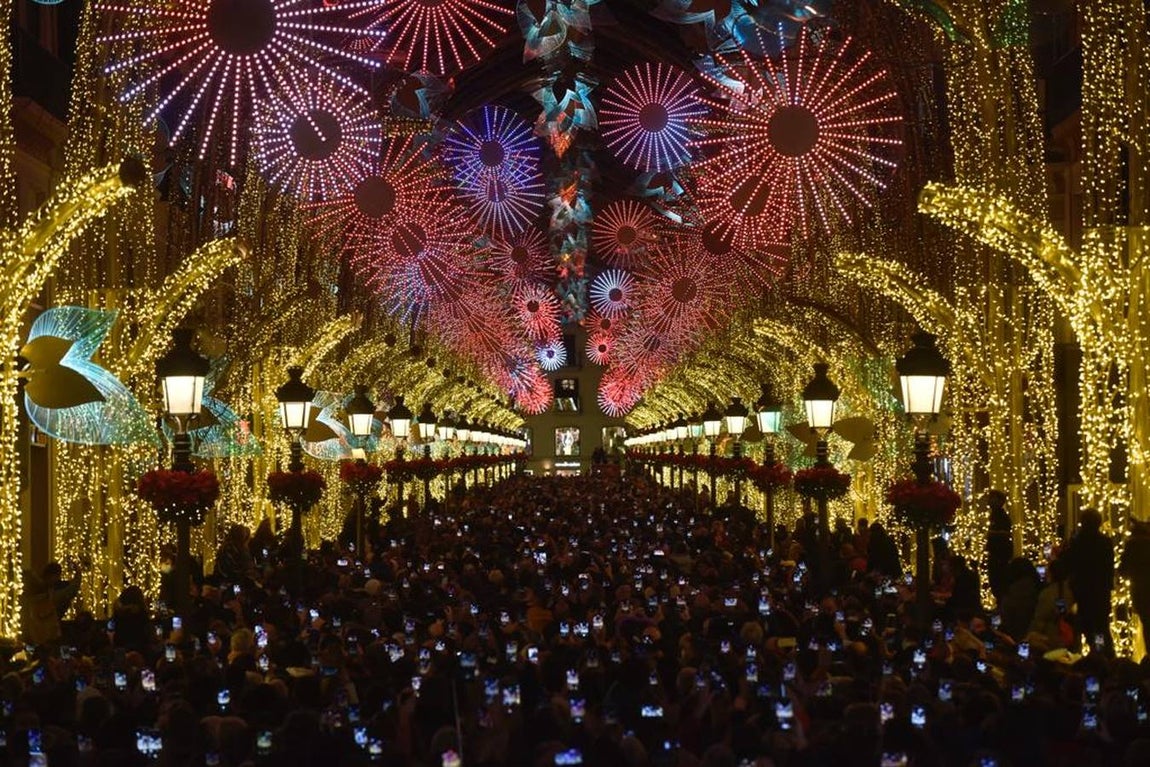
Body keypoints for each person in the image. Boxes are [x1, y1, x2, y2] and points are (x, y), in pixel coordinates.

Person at [1064, 507, 1115, 654]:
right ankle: (1101, 653)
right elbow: (1108, 568)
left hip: (1083, 591)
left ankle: (1096, 652)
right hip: (1100, 591)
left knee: (1088, 626)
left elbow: (1070, 563)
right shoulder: (1105, 542)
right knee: (1100, 627)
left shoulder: (1078, 542)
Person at [21, 560, 80, 646]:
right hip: (46, 638)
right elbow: (71, 590)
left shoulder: (26, 598)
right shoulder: (49, 596)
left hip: (30, 637)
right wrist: (78, 572)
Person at [1120, 519, 1150, 651]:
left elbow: (1123, 571)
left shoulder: (1132, 545)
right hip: (1142, 590)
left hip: (1141, 592)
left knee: (1147, 626)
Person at [985, 490, 1013, 606]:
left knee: (999, 584)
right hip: (996, 556)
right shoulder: (994, 515)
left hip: (999, 557)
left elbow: (1004, 534)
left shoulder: (1001, 516)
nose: (990, 501)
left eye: (993, 498)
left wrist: (991, 534)